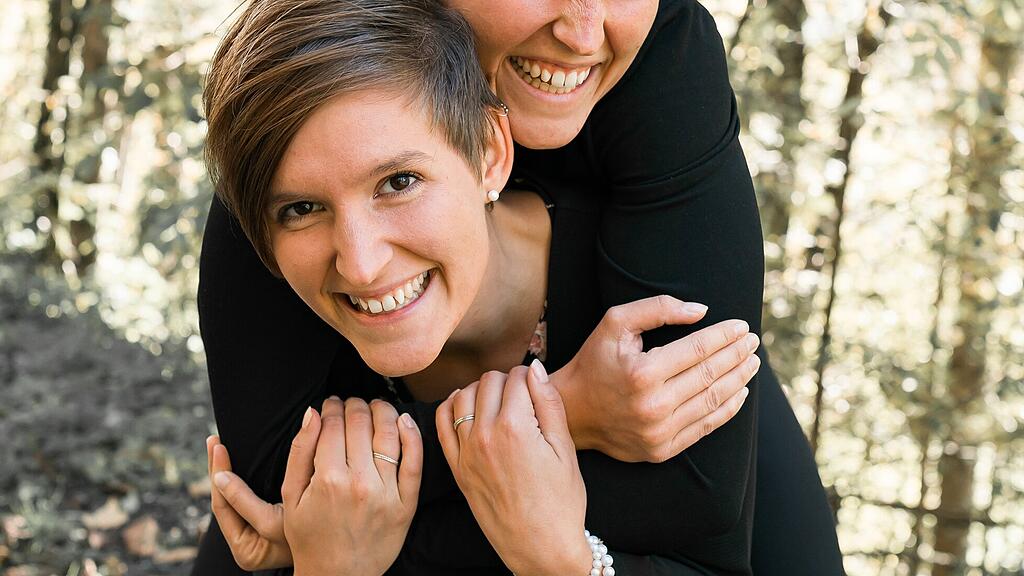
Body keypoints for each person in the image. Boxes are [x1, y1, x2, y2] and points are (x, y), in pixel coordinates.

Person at [194, 0, 844, 574]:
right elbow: (272, 492)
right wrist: (567, 410)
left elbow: (690, 497)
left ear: (491, 152)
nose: (583, 31)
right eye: (301, 209)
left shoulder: (661, 54)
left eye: (399, 182)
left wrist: (333, 544)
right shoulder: (299, 87)